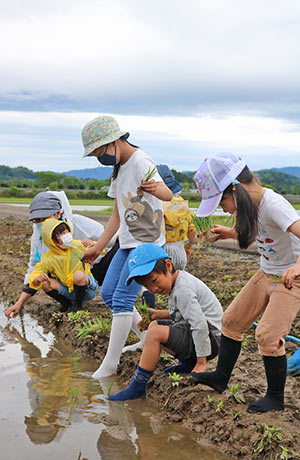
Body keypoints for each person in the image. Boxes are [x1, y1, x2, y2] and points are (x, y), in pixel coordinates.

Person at [191, 152, 300, 413]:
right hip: (266, 272)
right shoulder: (253, 205)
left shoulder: (274, 204)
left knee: (268, 335)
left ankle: (275, 398)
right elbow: (263, 234)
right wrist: (229, 233)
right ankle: (220, 378)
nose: (224, 208)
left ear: (236, 188)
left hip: (290, 279)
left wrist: (297, 266)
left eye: (222, 201)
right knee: (231, 321)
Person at [81, 115, 173, 378]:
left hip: (146, 243)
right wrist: (99, 247)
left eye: (100, 151)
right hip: (126, 242)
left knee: (122, 299)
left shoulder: (141, 161)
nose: (100, 156)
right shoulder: (118, 169)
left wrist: (158, 189)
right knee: (109, 293)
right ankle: (146, 337)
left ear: (115, 141)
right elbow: (116, 215)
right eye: (95, 153)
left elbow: (168, 195)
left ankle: (109, 366)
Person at [108, 243, 222, 401]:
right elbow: (184, 314)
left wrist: (201, 363)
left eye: (154, 280)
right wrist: (158, 314)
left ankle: (137, 386)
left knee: (155, 333)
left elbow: (199, 324)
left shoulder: (183, 289)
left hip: (212, 340)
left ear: (168, 265)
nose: (153, 288)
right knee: (155, 326)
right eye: (146, 286)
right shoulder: (177, 283)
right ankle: (188, 363)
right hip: (203, 336)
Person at [4, 190, 118, 318]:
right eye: (37, 220)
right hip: (64, 279)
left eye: (45, 218)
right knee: (43, 279)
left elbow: (110, 239)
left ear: (58, 214)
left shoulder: (79, 224)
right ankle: (67, 303)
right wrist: (19, 303)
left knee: (120, 245)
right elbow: (34, 268)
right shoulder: (39, 237)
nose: (42, 223)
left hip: (93, 272)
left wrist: (95, 245)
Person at [141, 164, 197, 308]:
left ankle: (149, 312)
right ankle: (181, 313)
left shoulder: (153, 203)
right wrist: (187, 248)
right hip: (179, 250)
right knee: (179, 285)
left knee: (149, 282)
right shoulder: (182, 204)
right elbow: (192, 231)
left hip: (159, 250)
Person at [28, 219, 99, 312]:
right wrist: (38, 278)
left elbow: (99, 249)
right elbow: (36, 272)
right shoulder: (49, 258)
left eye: (66, 232)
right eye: (61, 234)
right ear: (52, 241)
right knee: (45, 284)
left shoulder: (78, 245)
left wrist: (93, 245)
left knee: (78, 275)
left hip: (87, 289)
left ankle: (78, 305)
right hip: (68, 290)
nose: (66, 235)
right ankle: (66, 303)